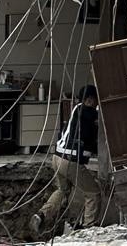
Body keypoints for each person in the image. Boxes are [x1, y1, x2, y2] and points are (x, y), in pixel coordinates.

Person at [37, 85, 102, 234]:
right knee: (93, 192)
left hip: (57, 157)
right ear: (90, 100)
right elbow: (95, 133)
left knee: (63, 190)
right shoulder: (89, 113)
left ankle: (42, 214)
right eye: (97, 101)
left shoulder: (76, 108)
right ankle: (89, 228)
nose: (97, 104)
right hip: (70, 160)